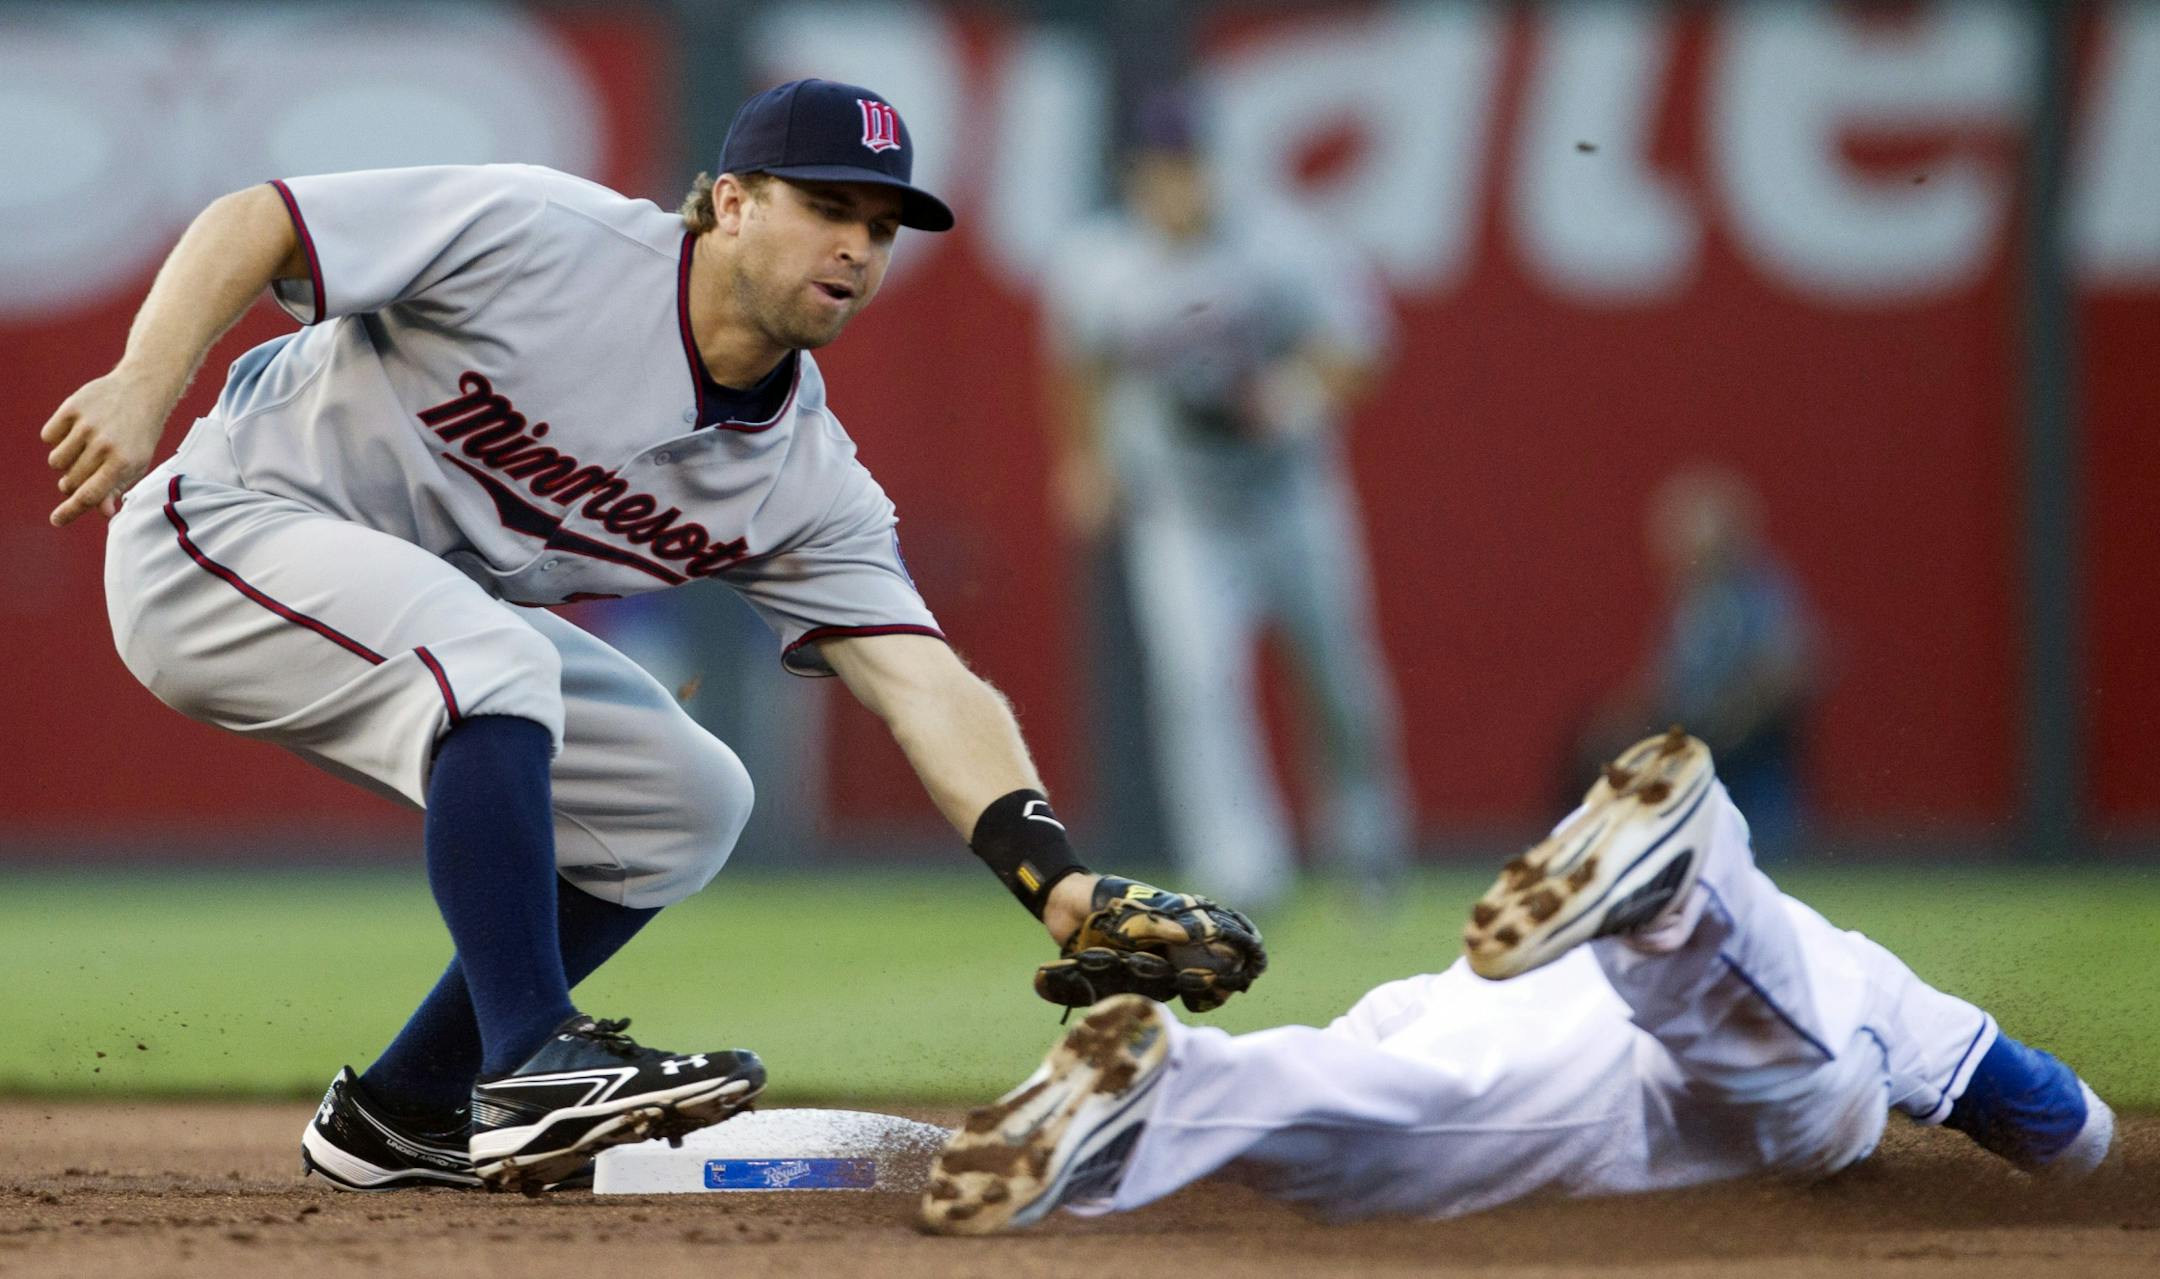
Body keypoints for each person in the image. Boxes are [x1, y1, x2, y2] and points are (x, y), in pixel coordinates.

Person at [38, 79, 1263, 1195]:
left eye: (882, 227)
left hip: (419, 607)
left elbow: (922, 679)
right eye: (826, 207)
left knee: (687, 800)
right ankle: (533, 1058)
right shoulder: (547, 235)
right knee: (497, 658)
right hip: (221, 535)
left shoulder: (806, 479)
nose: (856, 246)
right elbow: (260, 217)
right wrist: (145, 381)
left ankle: (403, 1113)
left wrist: (1056, 879)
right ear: (730, 203)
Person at [922, 728, 2116, 1233]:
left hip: (1475, 1006)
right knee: (1810, 1099)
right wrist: (2089, 1164)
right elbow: (2057, 1120)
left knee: (1386, 1117)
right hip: (1676, 1059)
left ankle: (1168, 1093)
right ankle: (1689, 893)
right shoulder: (1856, 971)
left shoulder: (1836, 961)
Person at [1040, 96, 1413, 911]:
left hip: (1289, 497)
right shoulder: (1097, 263)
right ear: (1136, 178)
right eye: (1164, 170)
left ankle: (1367, 843)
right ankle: (1241, 865)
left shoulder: (1282, 244)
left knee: (1338, 680)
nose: (1180, 186)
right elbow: (1079, 367)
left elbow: (1362, 347)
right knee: (1200, 685)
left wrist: (1291, 394)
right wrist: (1085, 460)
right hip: (1181, 510)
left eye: (1192, 167)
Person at [1577, 466, 1819, 850]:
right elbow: (1672, 678)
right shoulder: (1689, 601)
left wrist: (1736, 717)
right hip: (1700, 752)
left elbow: (1791, 662)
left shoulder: (1755, 591)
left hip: (1752, 757)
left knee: (1766, 850)